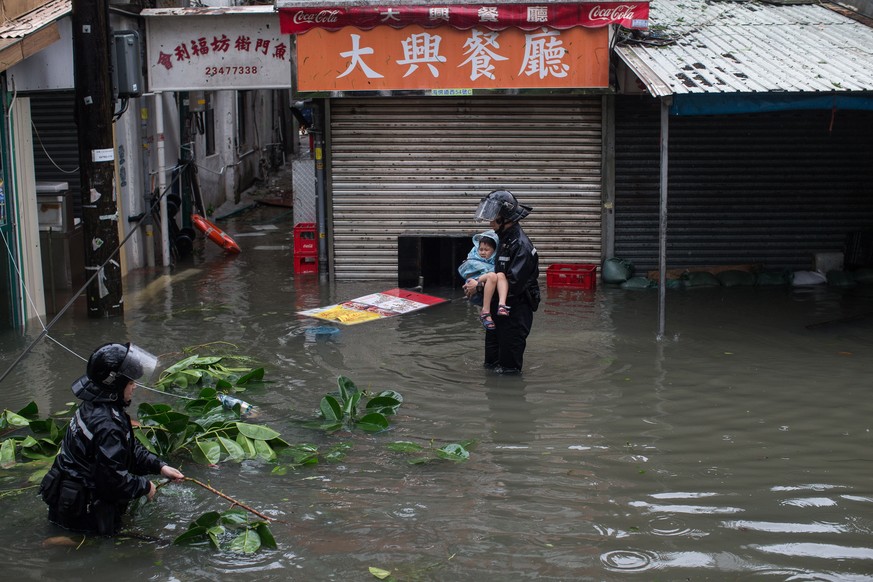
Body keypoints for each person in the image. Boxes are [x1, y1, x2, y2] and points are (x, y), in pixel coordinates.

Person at [39, 342, 185, 536]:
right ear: (114, 384)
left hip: (70, 503)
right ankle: (65, 541)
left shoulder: (97, 406)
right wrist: (145, 486)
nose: (134, 387)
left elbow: (128, 448)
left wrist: (159, 467)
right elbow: (113, 480)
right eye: (131, 382)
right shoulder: (106, 423)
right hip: (82, 515)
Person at [463, 190, 541, 374]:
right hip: (496, 312)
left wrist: (478, 287)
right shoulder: (502, 240)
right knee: (490, 364)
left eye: (493, 217)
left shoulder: (520, 245)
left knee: (509, 371)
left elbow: (513, 285)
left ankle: (509, 401)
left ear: (505, 218)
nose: (490, 222)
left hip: (514, 314)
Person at [457, 230, 509, 330]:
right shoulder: (473, 259)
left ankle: (502, 305)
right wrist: (478, 282)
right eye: (481, 249)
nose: (482, 252)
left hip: (487, 285)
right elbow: (467, 274)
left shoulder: (496, 263)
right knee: (492, 276)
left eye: (486, 250)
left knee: (501, 274)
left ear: (494, 251)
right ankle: (485, 312)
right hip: (474, 284)